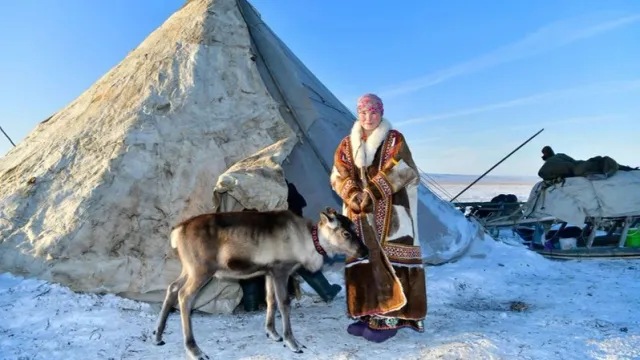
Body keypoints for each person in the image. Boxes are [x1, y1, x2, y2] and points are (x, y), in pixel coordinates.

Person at [330, 93, 426, 343]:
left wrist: (371, 193)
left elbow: (403, 169)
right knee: (363, 262)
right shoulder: (346, 144)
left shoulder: (394, 139)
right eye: (363, 112)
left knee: (390, 263)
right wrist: (352, 194)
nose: (368, 117)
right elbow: (338, 173)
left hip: (392, 214)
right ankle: (367, 315)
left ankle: (389, 320)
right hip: (358, 215)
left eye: (373, 112)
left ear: (381, 113)